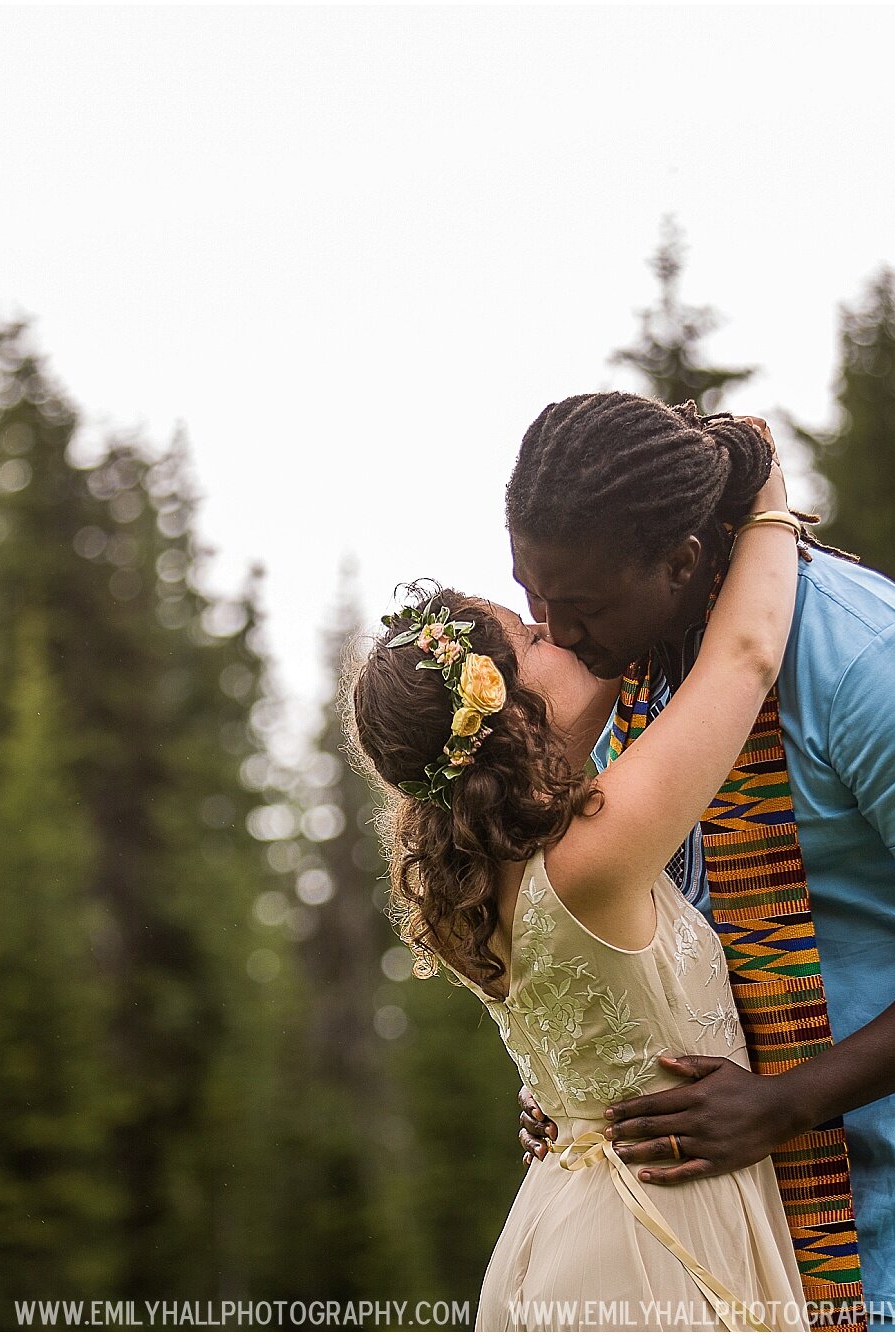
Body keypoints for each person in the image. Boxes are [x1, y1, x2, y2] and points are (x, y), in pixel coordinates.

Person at [505, 393, 895, 1333]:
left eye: (580, 608)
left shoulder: (864, 660)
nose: (553, 634)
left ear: (681, 563)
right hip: (757, 1157)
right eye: (533, 596)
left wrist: (787, 1102)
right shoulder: (635, 668)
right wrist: (580, 1087)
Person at [345, 452, 818, 1331]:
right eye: (531, 643)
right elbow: (747, 657)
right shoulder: (588, 857)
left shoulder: (476, 883)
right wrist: (763, 498)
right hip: (649, 1252)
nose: (560, 632)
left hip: (566, 1224)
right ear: (510, 723)